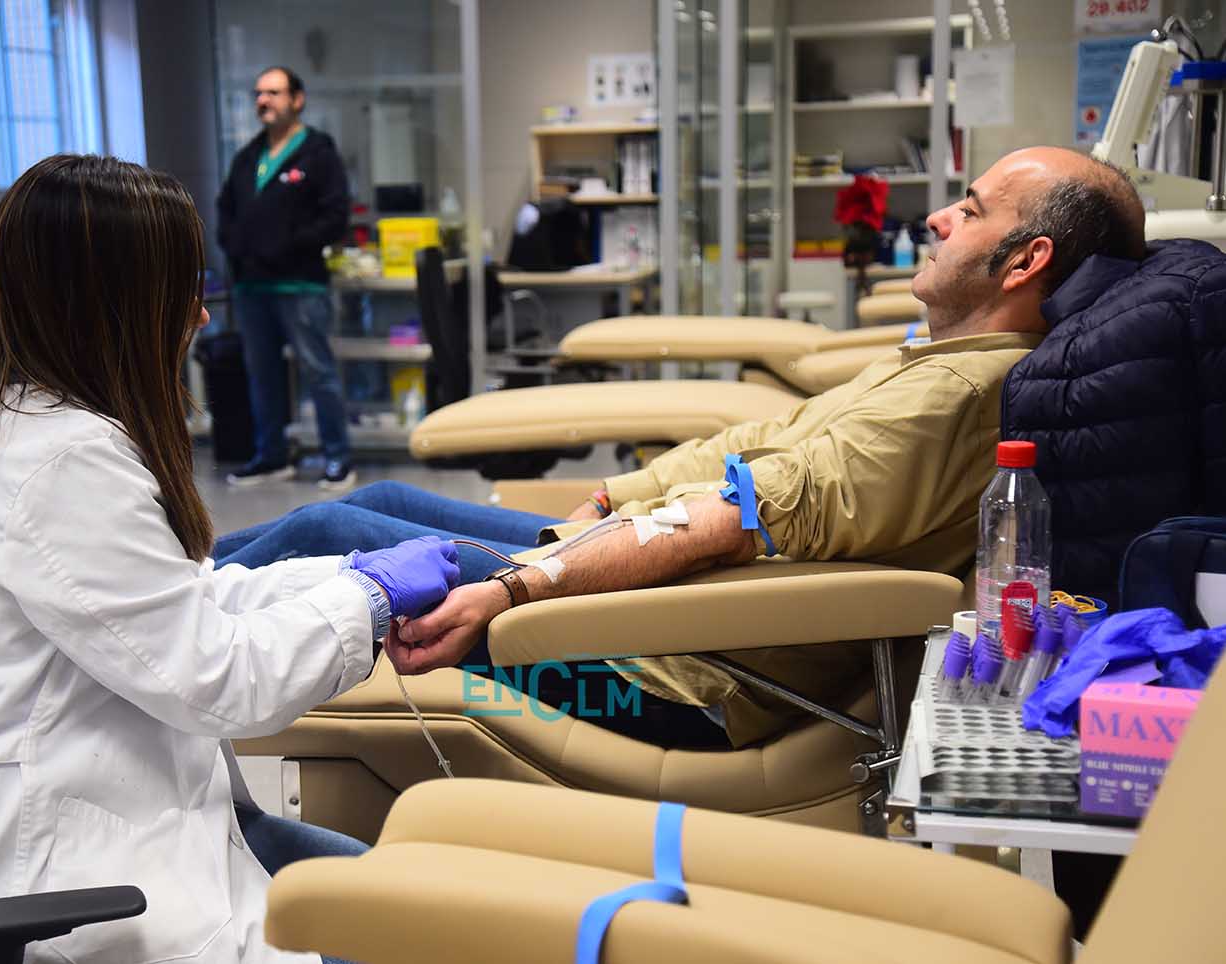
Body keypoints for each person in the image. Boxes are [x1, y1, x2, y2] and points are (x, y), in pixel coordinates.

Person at [223, 147, 1148, 749]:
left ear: (1024, 261)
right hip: (648, 601)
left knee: (336, 530)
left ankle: (165, 626)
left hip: (668, 670)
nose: (940, 216)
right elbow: (761, 441)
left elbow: (728, 519)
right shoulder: (941, 361)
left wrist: (519, 586)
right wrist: (613, 498)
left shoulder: (956, 395)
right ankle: (167, 601)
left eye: (971, 210)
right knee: (380, 508)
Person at [0, 154, 461, 964]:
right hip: (46, 888)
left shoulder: (21, 423)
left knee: (418, 901)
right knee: (434, 935)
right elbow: (218, 679)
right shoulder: (60, 462)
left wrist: (345, 578)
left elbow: (176, 606)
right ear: (111, 305)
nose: (199, 316)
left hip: (91, 826)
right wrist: (369, 598)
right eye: (182, 291)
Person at [217, 65, 354, 491]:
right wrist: (236, 247)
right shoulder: (248, 157)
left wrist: (289, 245)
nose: (263, 100)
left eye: (273, 93)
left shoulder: (317, 153)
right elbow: (226, 211)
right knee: (262, 375)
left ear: (297, 99)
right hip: (252, 286)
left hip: (300, 285)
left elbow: (335, 216)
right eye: (259, 93)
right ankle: (271, 456)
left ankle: (337, 458)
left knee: (318, 372)